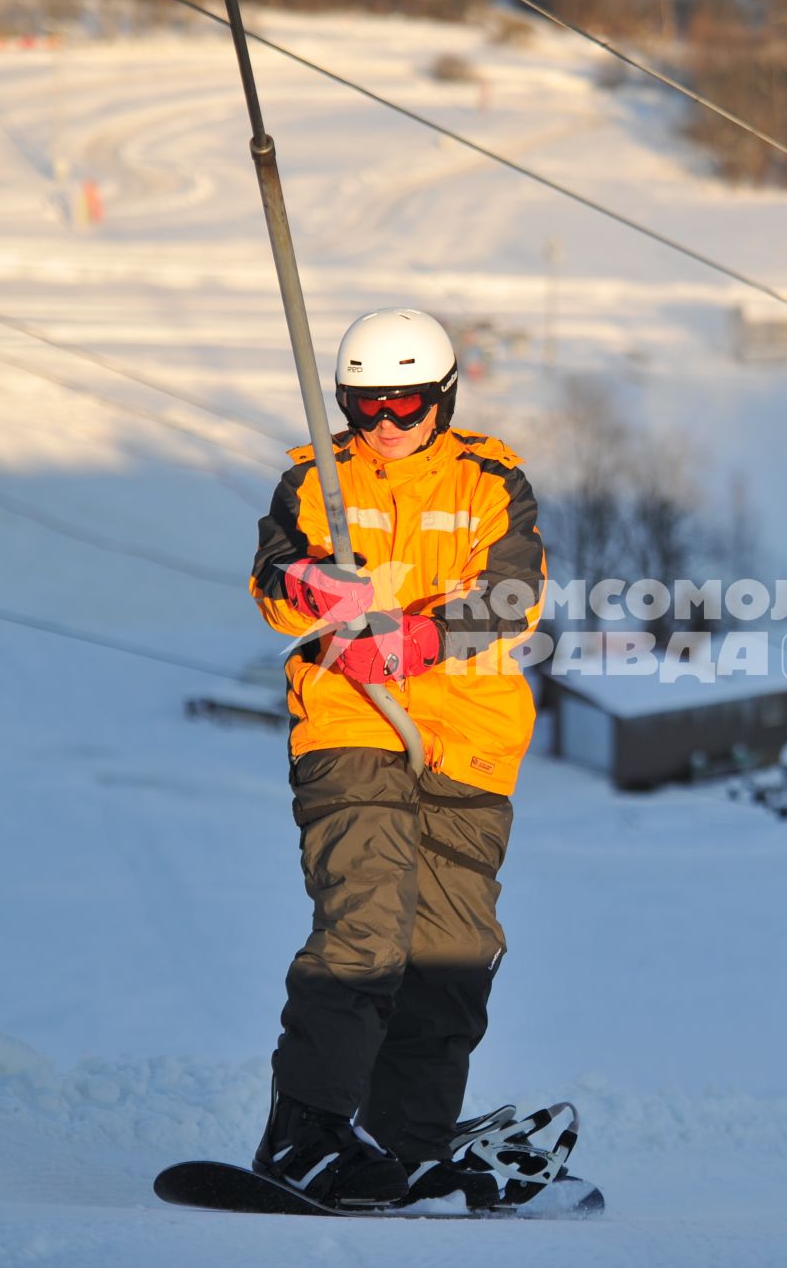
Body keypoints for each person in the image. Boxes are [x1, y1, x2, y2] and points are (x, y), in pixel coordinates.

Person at [245, 308, 547, 1208]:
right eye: (364, 403)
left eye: (405, 402)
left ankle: (401, 1147)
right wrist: (311, 586)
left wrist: (415, 638)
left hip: (471, 735)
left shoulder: (493, 479)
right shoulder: (316, 476)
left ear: (443, 396)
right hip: (349, 717)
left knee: (453, 955)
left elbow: (514, 592)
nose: (383, 422)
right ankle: (305, 1131)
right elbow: (271, 575)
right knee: (369, 925)